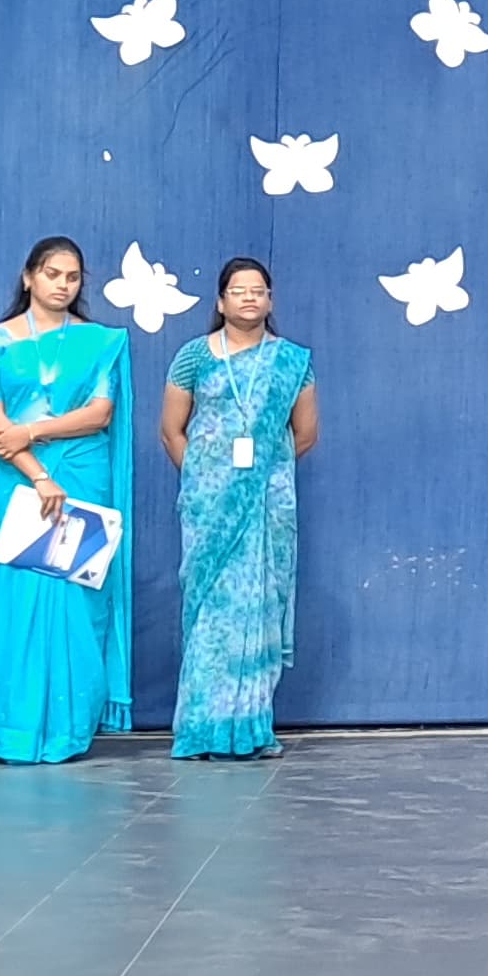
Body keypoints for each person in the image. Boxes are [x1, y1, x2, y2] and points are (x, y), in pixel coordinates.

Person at [0, 236, 134, 763]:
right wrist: (38, 475)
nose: (63, 285)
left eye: (73, 277)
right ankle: (9, 730)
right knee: (13, 593)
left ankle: (66, 731)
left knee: (74, 598)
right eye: (52, 274)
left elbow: (100, 412)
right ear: (29, 277)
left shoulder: (99, 342)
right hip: (10, 478)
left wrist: (33, 431)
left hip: (81, 470)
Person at [162, 257, 318, 761]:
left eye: (258, 290)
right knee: (211, 614)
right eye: (238, 290)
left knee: (258, 611)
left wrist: (260, 481)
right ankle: (201, 730)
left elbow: (305, 434)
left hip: (267, 508)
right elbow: (171, 431)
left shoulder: (292, 361)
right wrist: (205, 483)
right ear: (220, 300)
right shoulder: (193, 356)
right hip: (208, 510)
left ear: (270, 300)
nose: (249, 297)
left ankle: (249, 729)